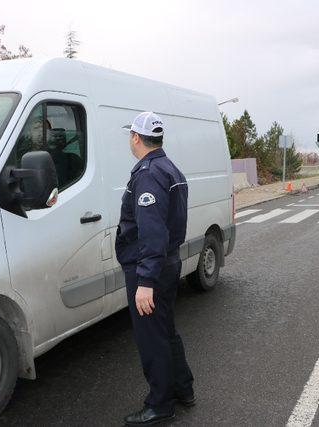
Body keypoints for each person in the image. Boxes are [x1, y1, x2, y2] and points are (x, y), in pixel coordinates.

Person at [115, 112, 194, 426]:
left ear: (136, 137)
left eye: (130, 136)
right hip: (167, 262)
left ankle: (160, 405)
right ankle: (183, 389)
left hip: (149, 269)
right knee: (166, 332)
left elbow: (152, 231)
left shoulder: (147, 174)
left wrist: (144, 280)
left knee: (152, 339)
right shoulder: (169, 168)